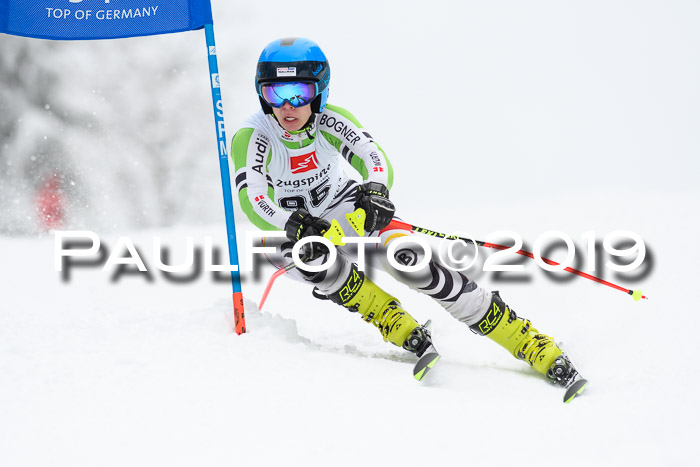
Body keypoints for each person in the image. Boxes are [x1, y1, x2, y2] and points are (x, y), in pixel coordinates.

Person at [231, 37, 586, 397]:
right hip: (288, 228)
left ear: (319, 91)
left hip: (342, 208)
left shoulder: (330, 120)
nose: (288, 107)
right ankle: (394, 322)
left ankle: (528, 342)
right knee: (315, 262)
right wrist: (294, 222)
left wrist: (375, 190)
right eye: (276, 94)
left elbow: (374, 158)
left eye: (299, 93)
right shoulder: (254, 137)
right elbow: (254, 202)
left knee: (411, 262)